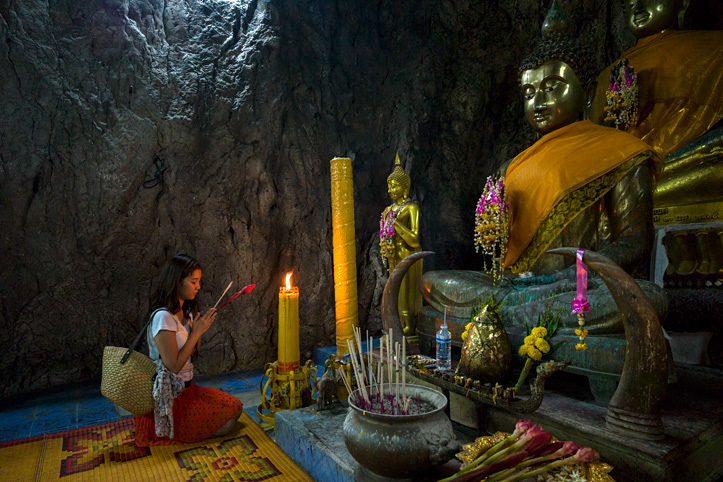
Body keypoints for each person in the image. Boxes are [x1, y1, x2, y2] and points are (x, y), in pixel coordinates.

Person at [420, 16, 667, 336]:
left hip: (577, 287)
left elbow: (636, 241)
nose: (538, 102)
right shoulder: (511, 167)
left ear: (589, 91)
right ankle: (522, 313)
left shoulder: (620, 150)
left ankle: (504, 318)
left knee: (649, 298)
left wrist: (569, 276)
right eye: (529, 91)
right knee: (433, 283)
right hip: (516, 286)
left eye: (553, 87)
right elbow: (498, 258)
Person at [133, 254, 243, 447]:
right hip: (170, 398)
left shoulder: (187, 312)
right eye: (194, 282)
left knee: (235, 408)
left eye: (199, 281)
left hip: (188, 390)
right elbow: (173, 366)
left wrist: (199, 328)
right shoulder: (163, 317)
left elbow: (192, 354)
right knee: (227, 423)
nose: (198, 287)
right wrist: (195, 333)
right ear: (177, 282)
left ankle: (189, 429)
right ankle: (173, 431)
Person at [380, 154, 423, 336]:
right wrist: (383, 252)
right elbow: (383, 235)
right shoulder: (388, 210)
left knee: (406, 291)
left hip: (407, 252)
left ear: (405, 187)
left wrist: (396, 223)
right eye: (390, 185)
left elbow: (414, 238)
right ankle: (393, 322)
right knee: (392, 290)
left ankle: (408, 325)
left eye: (395, 185)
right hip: (392, 253)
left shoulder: (411, 208)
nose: (391, 189)